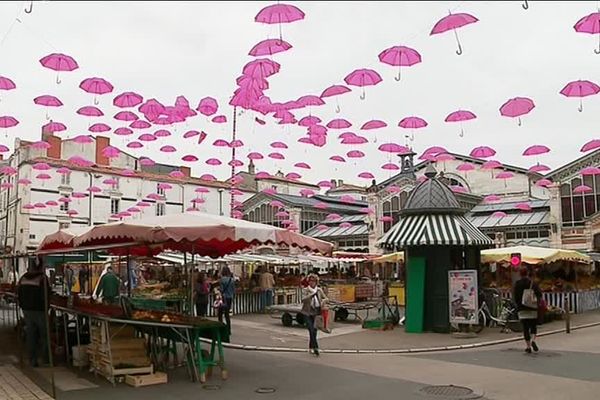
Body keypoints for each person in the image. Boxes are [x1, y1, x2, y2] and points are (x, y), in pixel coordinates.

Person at [17, 261, 50, 367]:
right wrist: (46, 307)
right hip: (40, 310)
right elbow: (46, 295)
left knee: (31, 335)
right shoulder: (42, 278)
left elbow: (19, 294)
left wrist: (23, 306)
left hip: (27, 310)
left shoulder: (23, 279)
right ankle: (45, 359)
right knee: (44, 335)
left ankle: (32, 360)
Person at [513, 267, 542, 353]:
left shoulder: (517, 284)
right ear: (528, 273)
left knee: (525, 328)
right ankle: (533, 340)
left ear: (520, 274)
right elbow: (539, 294)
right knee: (533, 326)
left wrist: (518, 305)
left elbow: (515, 296)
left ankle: (528, 346)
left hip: (522, 308)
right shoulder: (533, 283)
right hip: (532, 307)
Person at [301, 274, 328, 356]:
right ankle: (316, 348)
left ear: (316, 282)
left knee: (314, 331)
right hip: (307, 312)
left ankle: (311, 347)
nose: (312, 282)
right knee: (311, 329)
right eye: (310, 281)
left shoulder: (319, 290)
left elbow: (326, 298)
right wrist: (311, 295)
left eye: (314, 281)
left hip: (316, 312)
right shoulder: (305, 290)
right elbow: (303, 299)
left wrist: (323, 301)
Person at [218, 266, 235, 335]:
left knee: (220, 313)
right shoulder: (232, 280)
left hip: (223, 298)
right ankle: (228, 329)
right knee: (227, 314)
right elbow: (233, 290)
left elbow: (221, 290)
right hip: (229, 297)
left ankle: (221, 328)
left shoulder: (222, 280)